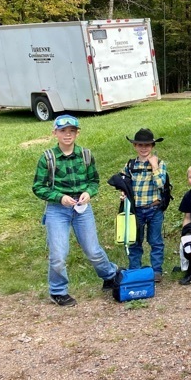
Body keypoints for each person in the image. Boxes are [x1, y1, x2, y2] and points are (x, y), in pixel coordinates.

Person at [32, 114, 118, 307]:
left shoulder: (86, 155)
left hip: (82, 208)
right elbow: (38, 187)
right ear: (55, 133)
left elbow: (94, 181)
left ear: (77, 133)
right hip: (57, 210)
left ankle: (110, 276)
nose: (67, 134)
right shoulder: (48, 158)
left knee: (93, 249)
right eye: (63, 131)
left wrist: (89, 192)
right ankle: (58, 291)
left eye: (72, 131)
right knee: (58, 254)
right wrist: (59, 197)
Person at [123, 128, 168, 283]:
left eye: (147, 145)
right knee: (135, 241)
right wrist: (123, 192)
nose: (144, 148)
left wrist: (154, 166)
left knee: (155, 241)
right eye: (140, 145)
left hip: (154, 209)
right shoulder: (130, 165)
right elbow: (124, 183)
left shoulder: (160, 164)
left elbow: (160, 183)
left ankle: (156, 271)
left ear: (152, 146)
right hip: (136, 210)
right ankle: (135, 269)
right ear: (135, 146)